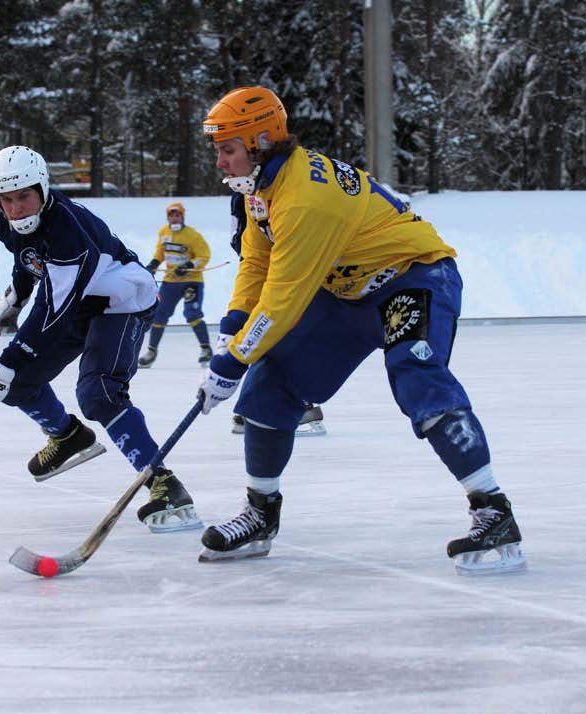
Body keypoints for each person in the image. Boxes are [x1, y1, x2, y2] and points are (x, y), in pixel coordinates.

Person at [195, 86, 525, 575]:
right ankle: (260, 513)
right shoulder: (263, 188)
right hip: (348, 291)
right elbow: (257, 259)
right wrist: (235, 327)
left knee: (416, 374)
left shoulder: (305, 200)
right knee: (274, 378)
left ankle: (493, 510)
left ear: (260, 142)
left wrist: (229, 362)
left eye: (227, 150)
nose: (220, 162)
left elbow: (285, 298)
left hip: (411, 275)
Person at [0, 145, 201, 532]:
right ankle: (68, 436)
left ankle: (163, 481)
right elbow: (27, 259)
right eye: (5, 200)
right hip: (77, 299)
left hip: (122, 300)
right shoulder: (2, 220)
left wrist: (4, 363)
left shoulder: (67, 233)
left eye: (23, 196)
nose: (15, 209)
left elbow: (54, 313)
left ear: (42, 189)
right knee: (19, 385)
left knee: (98, 393)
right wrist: (15, 299)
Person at [227, 192, 326, 436]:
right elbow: (237, 237)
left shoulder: (289, 188)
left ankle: (291, 403)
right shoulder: (244, 196)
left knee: (283, 334)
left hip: (288, 269)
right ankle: (259, 405)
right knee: (268, 333)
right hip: (267, 269)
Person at [138, 202, 213, 367]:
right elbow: (160, 252)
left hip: (191, 282)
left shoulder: (193, 235)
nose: (174, 218)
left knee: (192, 313)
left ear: (182, 216)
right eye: (171, 216)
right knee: (159, 314)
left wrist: (188, 266)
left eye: (177, 215)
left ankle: (206, 349)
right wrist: (153, 264)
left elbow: (204, 256)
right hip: (170, 281)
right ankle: (151, 351)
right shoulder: (164, 232)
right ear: (168, 218)